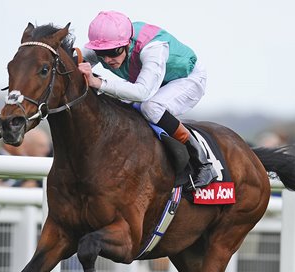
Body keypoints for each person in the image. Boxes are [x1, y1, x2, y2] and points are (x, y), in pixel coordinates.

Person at [77, 11, 216, 190]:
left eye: (113, 52)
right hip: (152, 82)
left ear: (126, 43)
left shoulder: (153, 49)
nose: (108, 59)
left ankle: (201, 162)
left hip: (187, 79)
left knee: (151, 107)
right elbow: (70, 59)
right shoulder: (108, 43)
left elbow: (143, 93)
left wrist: (98, 82)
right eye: (101, 53)